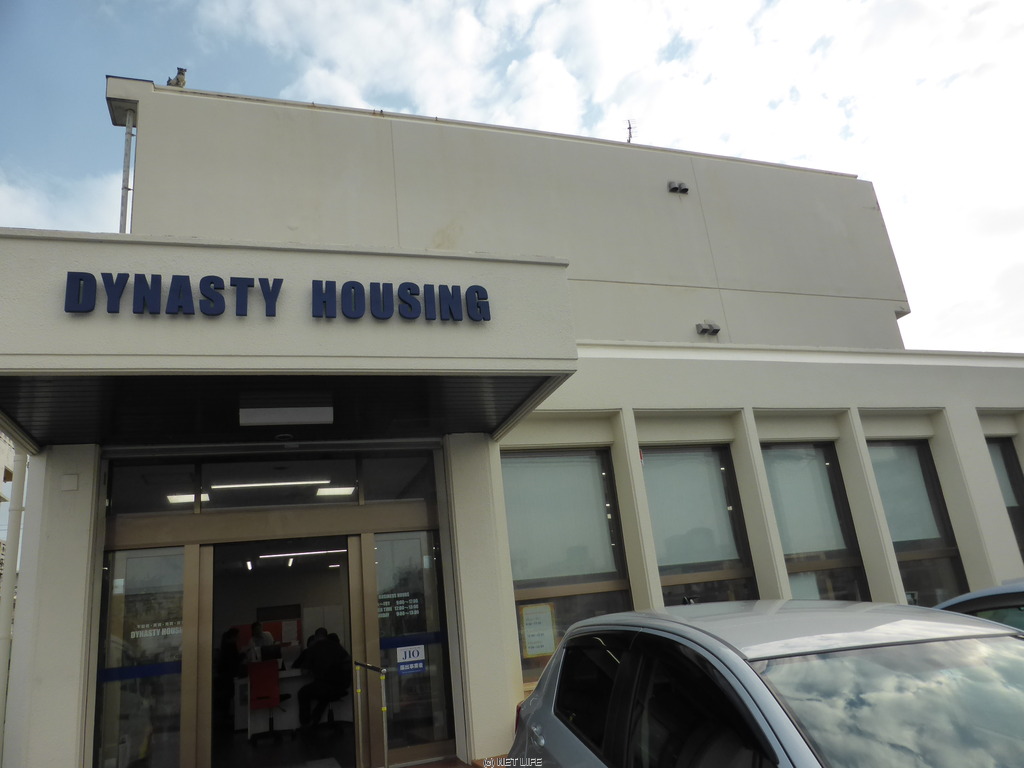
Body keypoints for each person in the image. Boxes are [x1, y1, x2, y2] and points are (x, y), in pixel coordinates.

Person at [298, 627, 352, 730]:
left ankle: (305, 723)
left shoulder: (313, 649)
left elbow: (304, 672)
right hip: (341, 686)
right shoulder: (336, 646)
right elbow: (348, 661)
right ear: (326, 636)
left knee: (303, 693)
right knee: (325, 697)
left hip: (324, 686)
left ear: (316, 637)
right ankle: (314, 719)